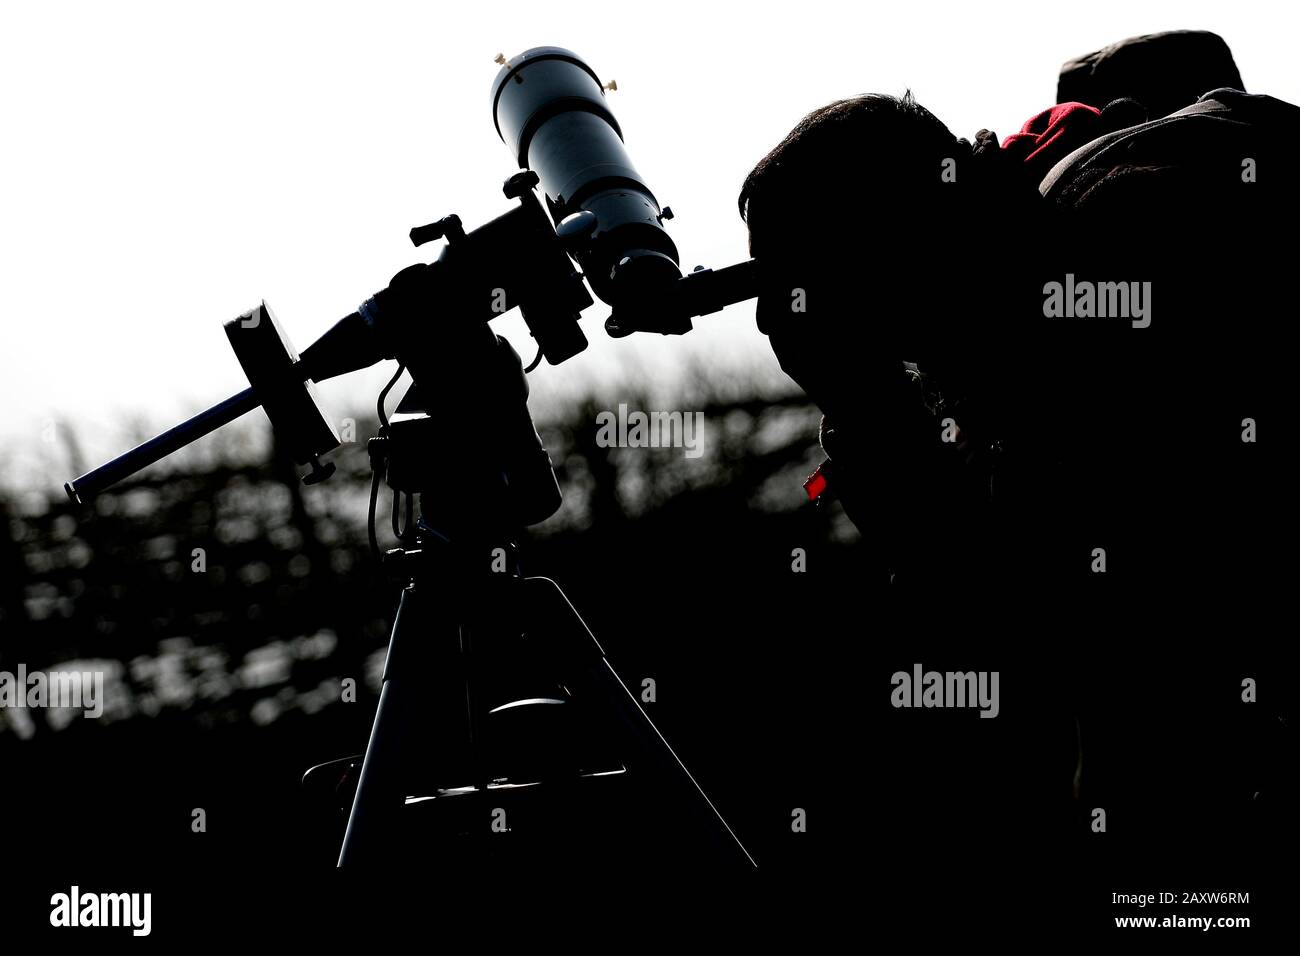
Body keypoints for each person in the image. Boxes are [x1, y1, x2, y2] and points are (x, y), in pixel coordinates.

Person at [739, 30, 1296, 906]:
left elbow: (1024, 619)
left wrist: (865, 407)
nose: (908, 355)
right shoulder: (1047, 226)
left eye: (881, 318)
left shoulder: (1124, 244)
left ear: (904, 260)